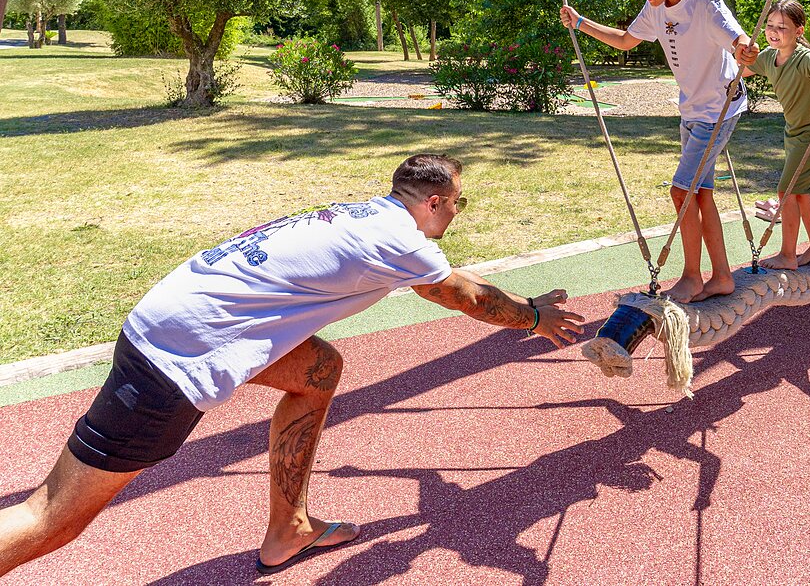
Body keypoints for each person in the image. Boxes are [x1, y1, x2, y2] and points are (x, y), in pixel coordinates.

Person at [0, 154, 583, 577]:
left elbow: (457, 280)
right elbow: (467, 297)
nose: (458, 212)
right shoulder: (402, 242)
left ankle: (289, 529)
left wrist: (525, 304)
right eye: (459, 202)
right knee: (52, 517)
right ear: (435, 203)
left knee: (318, 370)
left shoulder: (368, 217)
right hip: (176, 357)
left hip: (179, 319)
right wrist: (535, 320)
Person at [559, 0, 759, 302]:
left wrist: (746, 49)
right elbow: (624, 40)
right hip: (693, 110)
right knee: (700, 195)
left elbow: (738, 38)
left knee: (681, 190)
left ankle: (692, 277)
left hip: (719, 109)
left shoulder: (704, 3)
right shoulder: (655, 6)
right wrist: (580, 22)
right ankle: (721, 277)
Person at [742, 0, 810, 270]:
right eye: (770, 26)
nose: (774, 31)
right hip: (793, 133)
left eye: (782, 27)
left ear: (799, 31)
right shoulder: (768, 57)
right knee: (799, 193)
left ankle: (788, 254)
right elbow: (741, 71)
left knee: (785, 191)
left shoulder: (804, 57)